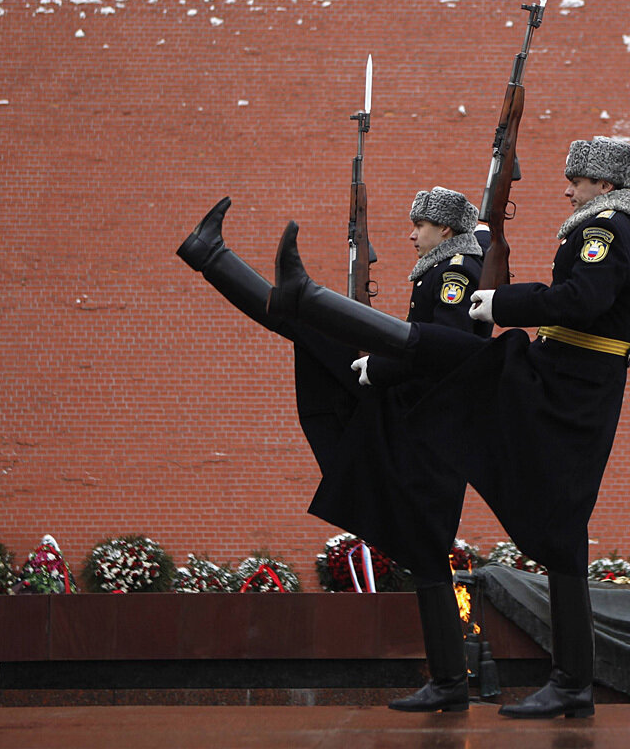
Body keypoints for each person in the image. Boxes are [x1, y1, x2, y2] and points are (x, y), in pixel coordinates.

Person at [264, 136, 630, 718]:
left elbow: (584, 297)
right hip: (575, 380)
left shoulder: (605, 230)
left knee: (481, 368)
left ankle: (570, 683)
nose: (568, 190)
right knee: (556, 523)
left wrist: (501, 305)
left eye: (579, 182)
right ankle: (570, 684)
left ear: (606, 187)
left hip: (566, 382)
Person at [177, 186, 489, 713]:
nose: (412, 235)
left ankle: (449, 683)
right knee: (307, 328)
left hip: (419, 425)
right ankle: (217, 258)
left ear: (447, 230)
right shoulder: (446, 266)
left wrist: (380, 367)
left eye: (421, 226)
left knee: (429, 555)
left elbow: (446, 351)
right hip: (412, 416)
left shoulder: (455, 273)